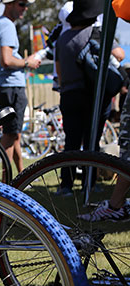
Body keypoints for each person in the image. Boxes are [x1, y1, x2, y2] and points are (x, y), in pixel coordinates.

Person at [54, 0, 124, 196]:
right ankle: (89, 184)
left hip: (68, 95)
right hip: (91, 95)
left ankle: (66, 185)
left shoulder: (62, 38)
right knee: (91, 142)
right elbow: (120, 54)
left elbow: (59, 72)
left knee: (71, 142)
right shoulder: (96, 34)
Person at [0, 0, 41, 174]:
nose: (25, 8)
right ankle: (5, 184)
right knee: (11, 135)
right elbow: (7, 60)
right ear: (9, 4)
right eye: (22, 4)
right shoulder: (7, 26)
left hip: (2, 86)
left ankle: (21, 175)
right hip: (11, 87)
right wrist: (27, 62)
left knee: (14, 133)